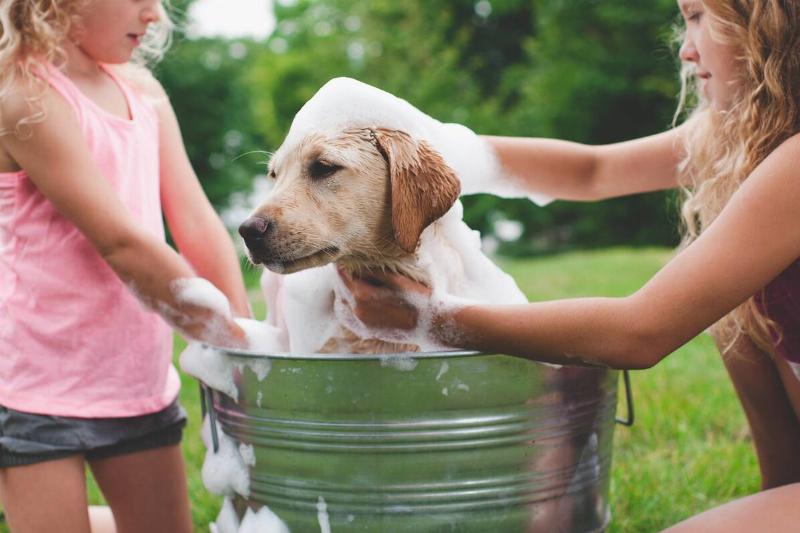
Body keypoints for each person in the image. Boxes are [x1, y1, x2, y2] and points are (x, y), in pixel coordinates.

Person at [339, 0, 800, 530]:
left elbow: (640, 332)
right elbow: (593, 172)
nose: (686, 47)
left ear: (772, 22)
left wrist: (430, 317)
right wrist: (426, 154)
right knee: (737, 312)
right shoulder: (745, 137)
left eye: (698, 15)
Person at [0, 0, 249, 531]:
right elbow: (122, 244)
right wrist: (227, 337)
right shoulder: (25, 97)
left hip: (132, 379)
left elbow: (198, 224)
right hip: (32, 386)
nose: (156, 14)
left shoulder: (144, 93)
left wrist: (248, 340)